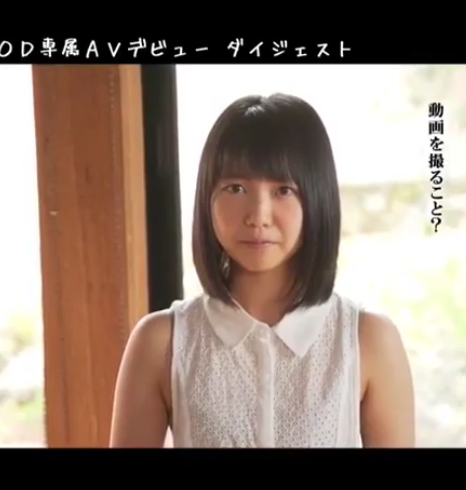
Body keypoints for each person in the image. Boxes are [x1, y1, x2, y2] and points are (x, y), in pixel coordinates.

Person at [109, 93, 415, 448]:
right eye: (235, 188)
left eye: (283, 190)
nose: (258, 216)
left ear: (317, 199)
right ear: (207, 199)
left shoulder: (367, 340)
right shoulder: (162, 342)